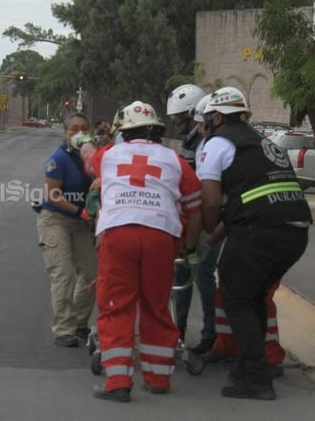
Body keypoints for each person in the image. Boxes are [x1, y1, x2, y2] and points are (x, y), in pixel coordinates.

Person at [197, 86, 311, 400]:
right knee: (254, 297)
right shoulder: (261, 142)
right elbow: (241, 206)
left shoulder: (218, 143)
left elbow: (210, 203)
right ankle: (249, 367)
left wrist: (204, 235)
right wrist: (215, 237)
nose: (205, 124)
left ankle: (258, 378)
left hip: (260, 231)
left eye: (208, 118)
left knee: (235, 298)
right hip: (294, 231)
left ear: (218, 116)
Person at [90, 101, 203, 403]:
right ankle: (158, 378)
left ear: (123, 133)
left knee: (116, 306)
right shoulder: (176, 160)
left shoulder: (108, 155)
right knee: (156, 306)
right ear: (158, 131)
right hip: (160, 235)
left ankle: (117, 381)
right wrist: (189, 247)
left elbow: (90, 160)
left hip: (119, 232)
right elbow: (194, 209)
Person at [36, 113, 97, 347]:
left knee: (92, 274)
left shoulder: (91, 157)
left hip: (82, 222)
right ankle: (63, 328)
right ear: (65, 132)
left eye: (84, 128)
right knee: (63, 274)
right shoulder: (58, 159)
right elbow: (52, 195)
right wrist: (79, 211)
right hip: (56, 219)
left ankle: (80, 323)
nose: (79, 133)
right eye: (73, 129)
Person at [165, 84, 218, 355]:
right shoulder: (189, 142)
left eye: (179, 120)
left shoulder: (205, 143)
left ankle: (210, 334)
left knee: (203, 274)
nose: (176, 126)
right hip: (188, 221)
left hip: (206, 221)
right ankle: (178, 330)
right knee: (182, 273)